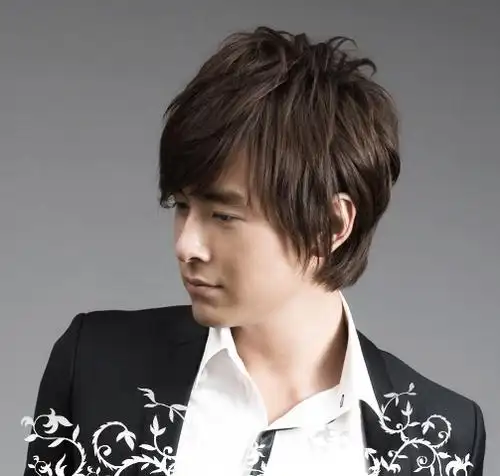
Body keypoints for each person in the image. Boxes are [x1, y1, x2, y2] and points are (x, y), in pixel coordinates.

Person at [22, 26, 485, 476]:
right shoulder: (95, 364)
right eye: (181, 206)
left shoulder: (440, 436)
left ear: (330, 225)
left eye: (224, 216)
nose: (186, 245)